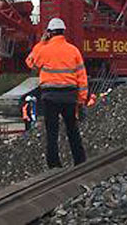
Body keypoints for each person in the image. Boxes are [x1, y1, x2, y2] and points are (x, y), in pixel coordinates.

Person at [27, 18, 88, 168]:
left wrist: (41, 43)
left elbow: (30, 62)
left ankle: (54, 164)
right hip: (69, 96)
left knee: (52, 132)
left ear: (49, 33)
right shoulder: (73, 50)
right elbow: (82, 77)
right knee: (72, 130)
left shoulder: (44, 50)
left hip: (50, 97)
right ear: (63, 32)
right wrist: (81, 100)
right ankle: (80, 161)